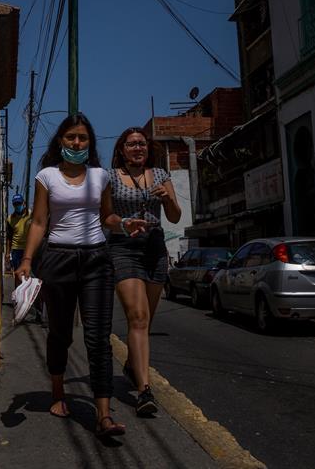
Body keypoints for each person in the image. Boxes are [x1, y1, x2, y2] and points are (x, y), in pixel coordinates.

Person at [15, 113, 144, 437]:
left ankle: (103, 415)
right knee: (60, 333)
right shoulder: (47, 176)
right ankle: (58, 392)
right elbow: (40, 221)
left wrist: (123, 223)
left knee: (98, 338)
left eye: (82, 138)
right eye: (71, 137)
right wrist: (27, 259)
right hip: (58, 259)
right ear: (61, 141)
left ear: (89, 143)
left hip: (96, 260)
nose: (76, 143)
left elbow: (107, 215)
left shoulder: (100, 177)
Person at [107, 127, 181, 416]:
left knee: (146, 321)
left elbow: (174, 216)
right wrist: (123, 223)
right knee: (136, 317)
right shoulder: (111, 177)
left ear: (147, 148)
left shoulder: (161, 175)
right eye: (131, 144)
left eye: (141, 144)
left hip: (154, 249)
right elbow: (106, 216)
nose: (137, 148)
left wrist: (167, 199)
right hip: (123, 248)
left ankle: (131, 364)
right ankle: (144, 390)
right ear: (122, 149)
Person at [5, 193, 44, 322]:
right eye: (15, 204)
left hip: (30, 250)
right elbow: (9, 237)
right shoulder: (10, 219)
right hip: (16, 251)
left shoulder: (30, 215)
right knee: (19, 280)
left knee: (35, 280)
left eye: (19, 204)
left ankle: (39, 312)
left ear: (24, 203)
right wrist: (7, 253)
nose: (18, 206)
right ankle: (19, 307)